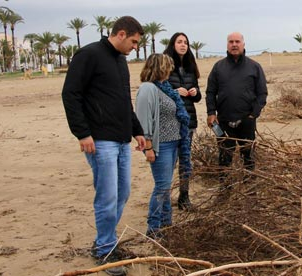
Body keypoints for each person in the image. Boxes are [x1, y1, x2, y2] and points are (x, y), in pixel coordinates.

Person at [62, 16, 145, 276]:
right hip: (99, 140)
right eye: (133, 42)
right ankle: (106, 248)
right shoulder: (88, 55)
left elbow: (123, 101)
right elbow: (70, 94)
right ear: (121, 34)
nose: (135, 47)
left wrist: (137, 131)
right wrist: (82, 133)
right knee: (107, 196)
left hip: (121, 140)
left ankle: (103, 240)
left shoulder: (121, 62)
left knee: (122, 194)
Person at [135, 53, 190, 239]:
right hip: (162, 145)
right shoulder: (148, 89)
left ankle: (166, 222)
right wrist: (148, 147)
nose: (171, 70)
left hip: (174, 143)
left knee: (166, 186)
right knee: (162, 186)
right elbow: (143, 120)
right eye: (168, 66)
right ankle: (153, 227)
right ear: (160, 67)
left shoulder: (164, 88)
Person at [205, 32, 267, 185]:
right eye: (231, 42)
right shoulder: (218, 67)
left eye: (237, 41)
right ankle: (224, 191)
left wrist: (254, 114)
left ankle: (250, 193)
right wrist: (211, 112)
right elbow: (210, 92)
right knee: (224, 158)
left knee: (248, 158)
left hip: (247, 121)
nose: (234, 44)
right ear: (227, 45)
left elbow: (262, 93)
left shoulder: (254, 67)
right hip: (224, 122)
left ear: (243, 44)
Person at [163, 32, 201, 211]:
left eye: (186, 42)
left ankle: (184, 197)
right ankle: (164, 198)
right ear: (173, 44)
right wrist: (174, 92)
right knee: (169, 161)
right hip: (171, 122)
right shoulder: (165, 67)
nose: (183, 45)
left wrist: (195, 93)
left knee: (186, 161)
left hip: (189, 121)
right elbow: (159, 90)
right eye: (179, 42)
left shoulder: (190, 67)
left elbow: (198, 96)